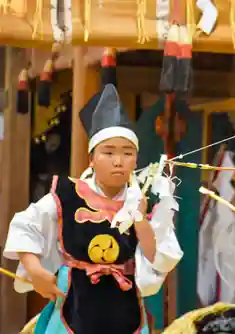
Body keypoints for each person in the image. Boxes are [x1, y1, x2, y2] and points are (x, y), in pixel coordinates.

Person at [3, 84, 183, 333]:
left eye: (127, 153)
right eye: (108, 152)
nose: (118, 161)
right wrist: (35, 271)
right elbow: (26, 226)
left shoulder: (143, 200)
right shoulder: (66, 195)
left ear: (136, 159)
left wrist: (139, 216)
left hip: (125, 308)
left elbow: (156, 257)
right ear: (92, 158)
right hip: (74, 303)